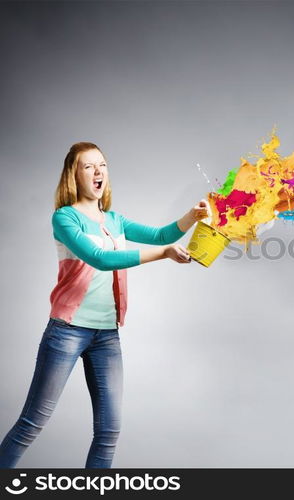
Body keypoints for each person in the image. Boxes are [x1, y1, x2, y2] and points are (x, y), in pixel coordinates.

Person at [0, 142, 210, 468]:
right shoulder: (65, 218)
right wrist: (166, 253)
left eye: (103, 165)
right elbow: (100, 258)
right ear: (74, 175)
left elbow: (159, 235)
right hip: (67, 331)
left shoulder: (114, 220)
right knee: (31, 425)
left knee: (109, 432)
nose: (99, 172)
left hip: (107, 335)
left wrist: (192, 217)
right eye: (89, 166)